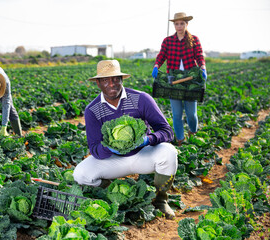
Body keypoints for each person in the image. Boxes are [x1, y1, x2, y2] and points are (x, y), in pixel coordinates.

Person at [73, 60, 178, 219]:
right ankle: (114, 190)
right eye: (106, 80)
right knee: (80, 174)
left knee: (169, 152)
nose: (112, 84)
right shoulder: (92, 110)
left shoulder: (141, 99)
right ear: (98, 83)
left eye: (115, 79)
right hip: (114, 160)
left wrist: (148, 140)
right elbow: (94, 148)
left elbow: (167, 132)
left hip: (143, 154)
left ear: (122, 79)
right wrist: (109, 148)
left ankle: (161, 200)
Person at [152, 12, 207, 146]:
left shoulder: (194, 39)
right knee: (176, 114)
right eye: (177, 24)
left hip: (190, 79)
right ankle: (180, 140)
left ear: (186, 24)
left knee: (191, 114)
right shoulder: (168, 41)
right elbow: (161, 55)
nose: (179, 26)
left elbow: (199, 55)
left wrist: (203, 67)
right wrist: (156, 65)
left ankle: (193, 133)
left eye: (182, 23)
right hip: (173, 79)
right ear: (174, 25)